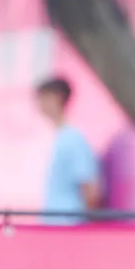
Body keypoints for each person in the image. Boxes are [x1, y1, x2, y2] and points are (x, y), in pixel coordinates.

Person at [35, 76, 101, 224]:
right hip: (55, 225)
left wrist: (83, 225)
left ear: (57, 98)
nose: (39, 104)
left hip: (68, 225)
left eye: (43, 97)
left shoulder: (73, 139)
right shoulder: (60, 137)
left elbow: (90, 188)